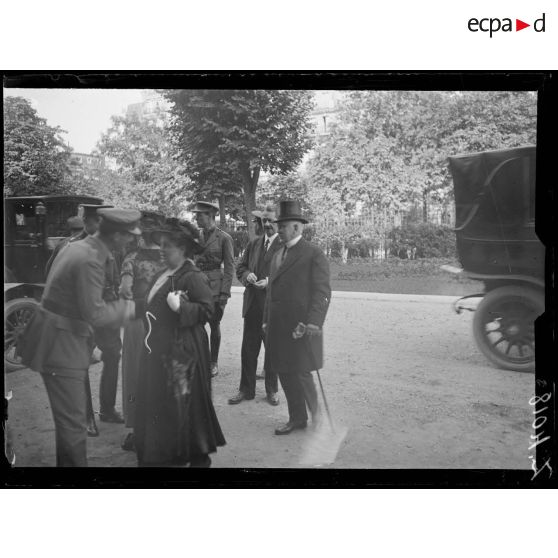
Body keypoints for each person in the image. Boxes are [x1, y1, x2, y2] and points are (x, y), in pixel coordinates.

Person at [18, 209, 140, 466]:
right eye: (129, 236)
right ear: (117, 235)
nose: (131, 241)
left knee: (69, 426)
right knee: (73, 429)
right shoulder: (91, 259)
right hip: (61, 343)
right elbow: (94, 313)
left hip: (58, 336)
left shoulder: (80, 247)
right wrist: (131, 308)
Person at [134, 219, 226, 467]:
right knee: (164, 404)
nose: (162, 250)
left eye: (168, 247)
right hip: (160, 349)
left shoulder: (192, 276)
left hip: (182, 353)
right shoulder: (163, 274)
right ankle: (166, 453)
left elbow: (209, 311)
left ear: (183, 249)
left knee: (184, 406)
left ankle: (195, 456)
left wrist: (182, 307)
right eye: (161, 245)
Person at [263, 200, 331, 435]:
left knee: (301, 373)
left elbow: (322, 292)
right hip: (278, 326)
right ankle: (297, 418)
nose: (278, 229)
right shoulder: (278, 254)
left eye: (283, 226)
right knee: (284, 371)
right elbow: (271, 291)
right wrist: (265, 319)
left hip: (300, 327)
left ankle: (317, 417)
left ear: (297, 228)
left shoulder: (313, 254)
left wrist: (313, 322)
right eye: (278, 225)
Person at [118, 211, 166, 451]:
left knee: (135, 374)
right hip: (164, 324)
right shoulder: (171, 258)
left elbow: (125, 291)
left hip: (137, 323)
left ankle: (139, 432)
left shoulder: (132, 259)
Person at [229, 205, 282, 406]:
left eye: (271, 221)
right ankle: (246, 390)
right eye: (264, 220)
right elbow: (240, 267)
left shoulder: (285, 247)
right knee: (248, 350)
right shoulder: (254, 244)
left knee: (272, 351)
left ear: (278, 222)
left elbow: (289, 275)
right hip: (252, 306)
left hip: (272, 308)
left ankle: (271, 391)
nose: (266, 224)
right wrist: (246, 275)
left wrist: (269, 281)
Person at [192, 201, 234, 377]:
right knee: (196, 324)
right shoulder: (195, 236)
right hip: (197, 286)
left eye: (199, 215)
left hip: (216, 290)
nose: (196, 218)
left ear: (210, 216)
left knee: (214, 324)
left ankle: (213, 362)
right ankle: (199, 359)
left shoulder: (224, 238)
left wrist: (225, 293)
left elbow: (230, 267)